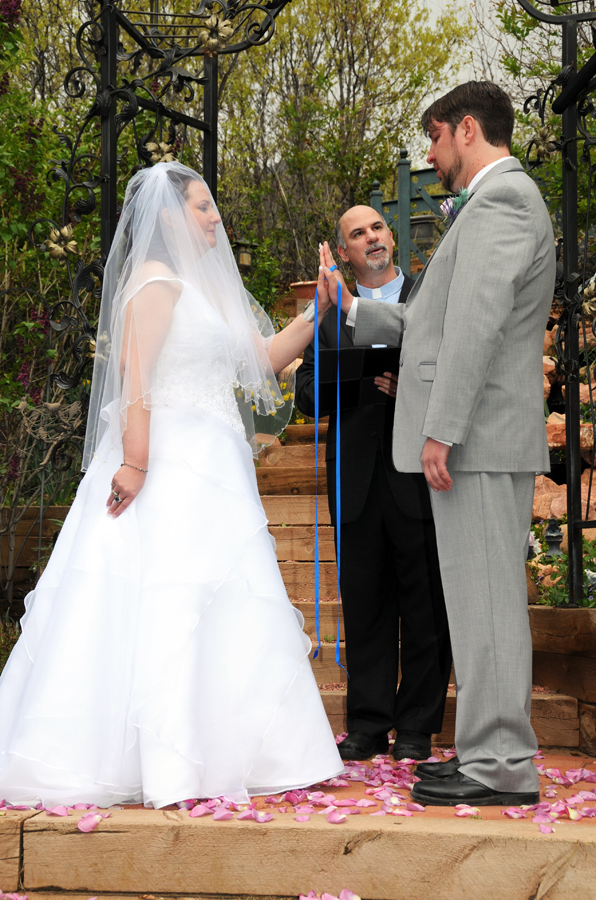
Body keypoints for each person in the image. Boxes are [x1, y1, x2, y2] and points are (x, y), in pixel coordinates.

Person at [0, 162, 343, 808]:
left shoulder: (207, 291)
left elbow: (261, 358)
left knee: (221, 602)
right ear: (168, 216)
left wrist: (318, 310)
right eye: (203, 207)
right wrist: (135, 460)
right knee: (158, 600)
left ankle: (232, 751)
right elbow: (136, 376)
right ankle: (144, 756)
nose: (215, 216)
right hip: (164, 459)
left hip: (215, 461)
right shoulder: (154, 281)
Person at [319, 81, 555, 806]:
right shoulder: (492, 206)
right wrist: (352, 309)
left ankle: (501, 763)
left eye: (434, 138)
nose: (430, 154)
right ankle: (490, 753)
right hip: (478, 439)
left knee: (485, 605)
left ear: (467, 130)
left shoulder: (504, 201)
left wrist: (440, 429)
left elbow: (476, 327)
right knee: (478, 603)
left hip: (477, 438)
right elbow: (430, 321)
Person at [295, 207, 451, 763]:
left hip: (421, 471)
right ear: (345, 253)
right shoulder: (330, 310)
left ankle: (417, 725)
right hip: (355, 474)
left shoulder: (428, 293)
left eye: (377, 228)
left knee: (426, 603)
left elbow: (450, 366)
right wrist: (359, 381)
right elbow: (306, 394)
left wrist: (405, 382)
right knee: (364, 604)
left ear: (392, 235)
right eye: (357, 235)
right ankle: (367, 723)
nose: (371, 239)